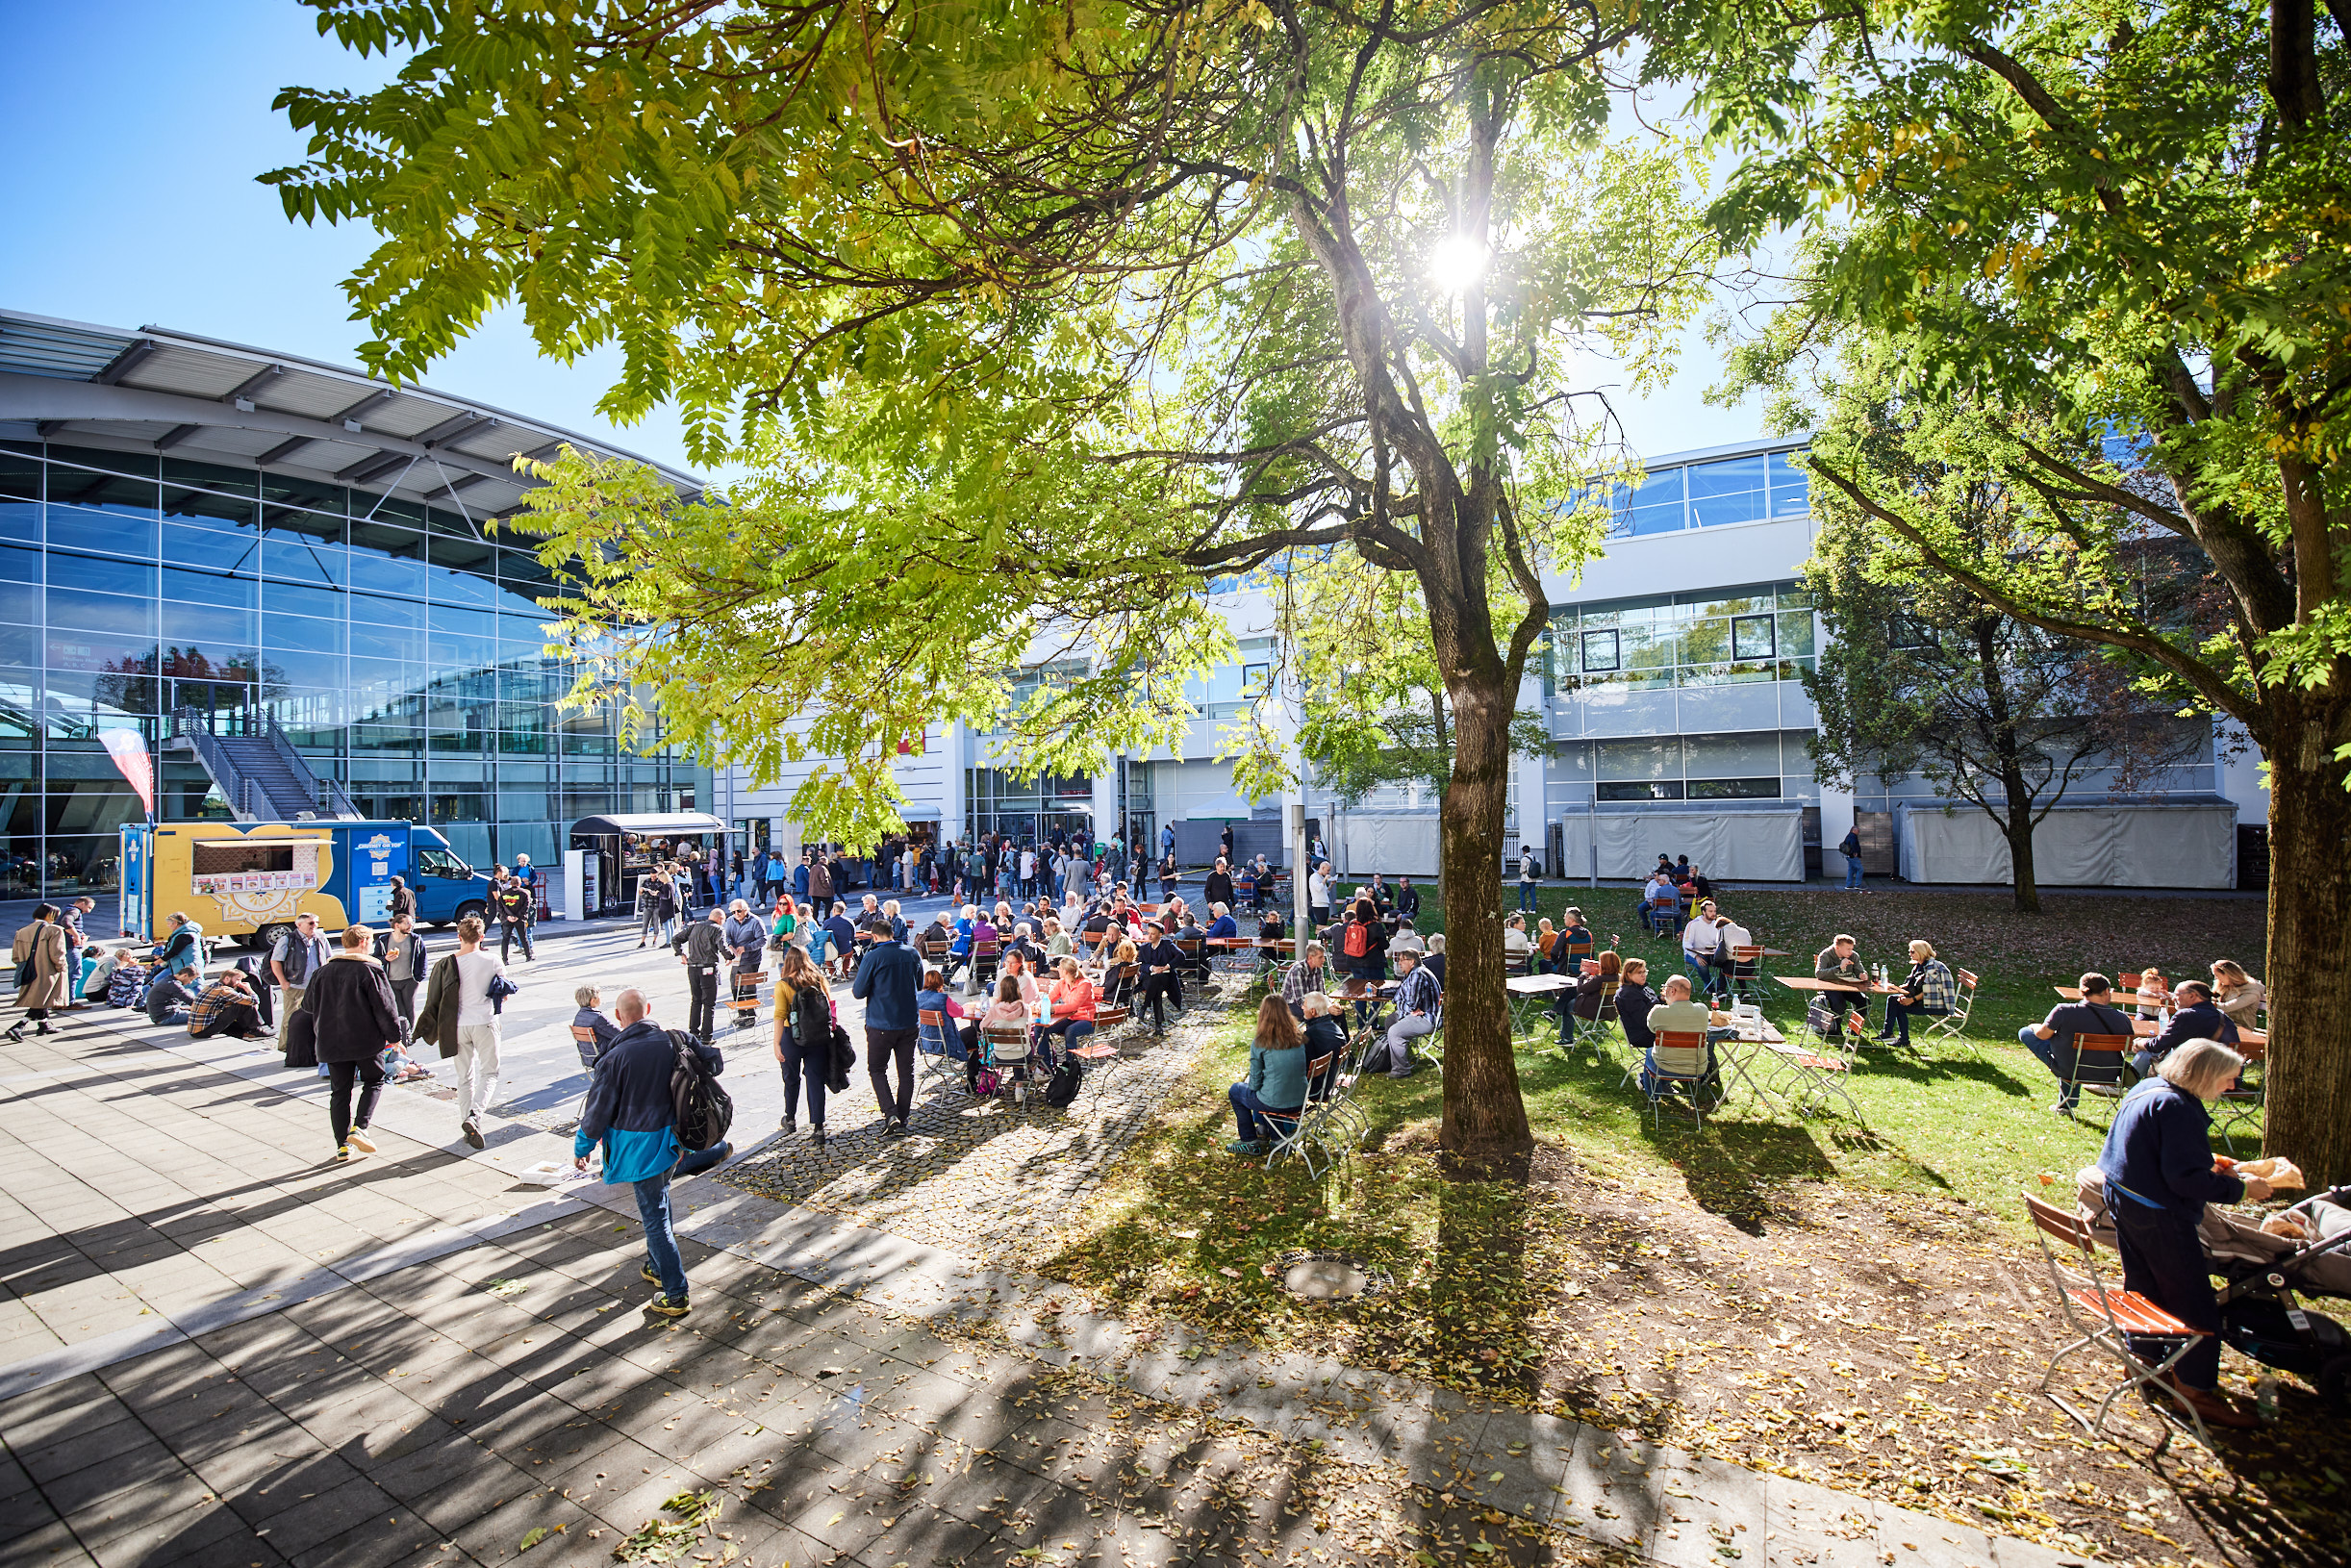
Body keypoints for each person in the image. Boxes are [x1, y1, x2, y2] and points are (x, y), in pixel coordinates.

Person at [2092, 1039, 2271, 1429]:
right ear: (2204, 1074)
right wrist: (2242, 1190)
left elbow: (2162, 1153)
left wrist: (2210, 1165)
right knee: (2194, 1302)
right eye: (2228, 1079)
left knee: (2144, 1284)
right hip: (2157, 1213)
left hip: (2125, 1196)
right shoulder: (2176, 1107)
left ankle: (2144, 1361)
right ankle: (2194, 1390)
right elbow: (2184, 1180)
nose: (2231, 1086)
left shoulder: (2149, 1087)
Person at [573, 988, 717, 1319]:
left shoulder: (614, 1057)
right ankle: (656, 1265)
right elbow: (714, 1061)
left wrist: (582, 1149)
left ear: (618, 1016)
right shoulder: (674, 1039)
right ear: (648, 1009)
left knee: (655, 1218)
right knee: (660, 1203)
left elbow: (596, 1112)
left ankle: (676, 1293)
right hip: (674, 1140)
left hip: (639, 1148)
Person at [306, 924, 403, 1162]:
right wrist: (395, 1037)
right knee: (374, 1080)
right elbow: (385, 1008)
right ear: (363, 942)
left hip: (331, 1040)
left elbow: (307, 1005)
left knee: (339, 1092)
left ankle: (342, 1146)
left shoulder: (322, 971)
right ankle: (360, 1127)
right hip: (364, 1040)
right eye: (370, 941)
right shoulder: (370, 970)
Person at [415, 915, 506, 1149]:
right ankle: (474, 1116)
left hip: (456, 1025)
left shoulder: (447, 963)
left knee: (465, 1077)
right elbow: (503, 993)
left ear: (459, 937)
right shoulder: (492, 960)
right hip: (485, 1022)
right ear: (482, 936)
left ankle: (468, 1126)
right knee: (490, 1073)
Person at [2020, 973, 2136, 1116]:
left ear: (2082, 991)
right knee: (2071, 1051)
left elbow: (2042, 1035)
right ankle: (2066, 1104)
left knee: (2026, 1032)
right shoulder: (2122, 1019)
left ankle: (2066, 1105)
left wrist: (2034, 1026)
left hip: (2070, 1070)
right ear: (2107, 991)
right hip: (2108, 1074)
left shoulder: (2064, 1011)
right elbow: (2128, 1047)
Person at [852, 909, 923, 1135]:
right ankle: (902, 1116)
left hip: (881, 1022)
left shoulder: (873, 957)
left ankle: (891, 1113)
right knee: (906, 1072)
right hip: (909, 1021)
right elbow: (920, 984)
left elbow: (858, 992)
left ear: (874, 936)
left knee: (877, 1069)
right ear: (892, 933)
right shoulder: (911, 953)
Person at [1228, 995, 1308, 1156]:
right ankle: (1278, 1139)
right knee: (1271, 1093)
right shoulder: (1298, 1037)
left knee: (1235, 1091)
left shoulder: (1261, 1042)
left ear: (1263, 1014)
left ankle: (1249, 1141)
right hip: (1301, 1099)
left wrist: (1253, 1085)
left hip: (1276, 1101)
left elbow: (1254, 1083)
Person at [772, 948, 835, 1142]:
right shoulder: (818, 979)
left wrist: (776, 1043)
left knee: (791, 1078)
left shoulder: (783, 984)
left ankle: (790, 1119)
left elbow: (779, 1015)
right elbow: (829, 1006)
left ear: (788, 962)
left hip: (791, 1036)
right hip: (817, 1036)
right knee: (815, 1080)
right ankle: (818, 1127)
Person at [1638, 974, 1730, 1101]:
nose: (1664, 991)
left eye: (1665, 988)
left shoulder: (1658, 1011)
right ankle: (1652, 1086)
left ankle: (1654, 1096)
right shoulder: (1702, 1010)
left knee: (1650, 1053)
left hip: (1664, 1066)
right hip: (1696, 1068)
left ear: (1672, 990)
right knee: (1660, 1057)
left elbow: (1652, 1028)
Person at [2128, 980, 2239, 1080]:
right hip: (2227, 1075)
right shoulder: (2223, 1017)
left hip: (2198, 1075)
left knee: (2146, 1052)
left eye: (2177, 995)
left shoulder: (2186, 1015)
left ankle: (2128, 1085)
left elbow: (2157, 1045)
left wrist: (2139, 1043)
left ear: (2192, 996)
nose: (2173, 998)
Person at [1362, 948, 1439, 1078]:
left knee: (1395, 1031)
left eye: (1402, 960)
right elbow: (1401, 991)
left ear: (1412, 962)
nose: (1399, 963)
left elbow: (1412, 1002)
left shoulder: (1418, 974)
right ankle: (1389, 1059)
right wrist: (1379, 992)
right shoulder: (1413, 973)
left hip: (1426, 1018)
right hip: (1418, 1013)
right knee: (1390, 1020)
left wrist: (1410, 1008)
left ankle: (1401, 1070)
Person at [8, 903, 69, 1041]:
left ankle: (44, 1025)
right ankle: (18, 1026)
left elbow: (16, 957)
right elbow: (57, 954)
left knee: (42, 998)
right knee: (42, 1000)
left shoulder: (22, 931)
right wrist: (63, 968)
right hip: (48, 971)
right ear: (50, 915)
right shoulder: (54, 930)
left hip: (29, 972)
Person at [1879, 940, 1956, 1049]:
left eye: (1912, 952)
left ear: (1921, 952)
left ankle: (1903, 1040)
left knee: (1900, 1006)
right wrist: (1896, 989)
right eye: (1909, 951)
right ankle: (1888, 1033)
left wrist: (1911, 1000)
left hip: (1937, 1005)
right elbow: (1910, 984)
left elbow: (1929, 991)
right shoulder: (1920, 965)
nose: (1910, 954)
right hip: (1924, 1001)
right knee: (1892, 999)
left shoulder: (1933, 967)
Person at [271, 912, 332, 1025]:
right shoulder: (287, 939)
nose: (315, 925)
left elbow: (328, 958)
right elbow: (275, 961)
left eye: (317, 922)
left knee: (317, 1018)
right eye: (311, 923)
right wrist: (283, 982)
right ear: (299, 925)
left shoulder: (321, 938)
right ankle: (286, 1038)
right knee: (291, 1020)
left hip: (317, 986)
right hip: (296, 986)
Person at [375, 913, 427, 1044]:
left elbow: (422, 957)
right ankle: (402, 1034)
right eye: (407, 923)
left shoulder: (415, 939)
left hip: (410, 979)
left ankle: (409, 1036)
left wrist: (419, 977)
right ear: (397, 925)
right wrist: (385, 958)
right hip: (391, 980)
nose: (411, 926)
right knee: (398, 1008)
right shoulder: (384, 940)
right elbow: (376, 958)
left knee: (409, 1007)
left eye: (411, 923)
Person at [677, 905, 726, 1040]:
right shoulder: (718, 929)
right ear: (720, 919)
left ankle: (693, 1032)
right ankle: (706, 1036)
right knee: (709, 1003)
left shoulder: (694, 927)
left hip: (693, 968)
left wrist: (681, 953)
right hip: (708, 968)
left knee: (696, 1000)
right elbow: (723, 947)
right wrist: (730, 957)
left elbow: (676, 939)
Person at [1811, 934, 1871, 1034]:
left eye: (1851, 949)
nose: (1850, 952)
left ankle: (1853, 1030)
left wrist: (1862, 975)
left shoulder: (1854, 956)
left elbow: (1860, 970)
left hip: (1847, 986)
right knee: (1839, 1003)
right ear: (1837, 947)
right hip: (1830, 987)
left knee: (1865, 1002)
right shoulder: (1826, 955)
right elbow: (1819, 974)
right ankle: (1836, 1030)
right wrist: (1839, 967)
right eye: (1848, 949)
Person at [187, 968, 266, 1041]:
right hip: (204, 1031)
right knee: (244, 1004)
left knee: (235, 1007)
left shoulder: (212, 986)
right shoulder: (224, 990)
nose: (239, 983)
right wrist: (248, 989)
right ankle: (255, 1030)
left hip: (196, 1031)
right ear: (227, 978)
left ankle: (246, 1033)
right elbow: (254, 1000)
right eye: (238, 980)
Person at [1565, 948, 1625, 1042]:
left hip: (1593, 1011)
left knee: (1568, 1005)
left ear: (1605, 965)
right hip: (1610, 1012)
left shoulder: (1600, 979)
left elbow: (1581, 989)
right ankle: (1555, 1010)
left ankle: (1566, 1037)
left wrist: (1582, 977)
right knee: (1569, 997)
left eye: (1600, 962)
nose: (1598, 964)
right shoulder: (1618, 978)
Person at [1042, 956, 1099, 1055]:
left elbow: (1074, 1006)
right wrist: (1040, 1005)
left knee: (1070, 1031)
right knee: (1042, 1028)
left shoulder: (1084, 984)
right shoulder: (1062, 983)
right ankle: (1046, 1062)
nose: (1058, 970)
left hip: (1088, 1020)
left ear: (1065, 971)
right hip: (1070, 1018)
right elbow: (1050, 998)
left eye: (1059, 968)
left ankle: (1071, 1062)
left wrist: (1053, 1009)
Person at [1137, 922, 1185, 1033]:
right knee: (1156, 988)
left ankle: (1145, 1006)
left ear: (1160, 935)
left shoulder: (1167, 944)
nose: (1149, 936)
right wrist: (1152, 968)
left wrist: (1167, 966)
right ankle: (1158, 1025)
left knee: (1158, 980)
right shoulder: (1144, 948)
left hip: (1166, 978)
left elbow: (1181, 955)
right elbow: (1141, 966)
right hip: (1148, 979)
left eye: (1153, 934)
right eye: (1148, 933)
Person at [1299, 992, 1346, 1099]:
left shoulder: (1311, 1035)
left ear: (1313, 1011)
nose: (1302, 1008)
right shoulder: (1335, 1028)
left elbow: (1303, 1066)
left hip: (1314, 1089)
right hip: (1331, 1081)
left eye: (1304, 1005)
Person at [493, 867, 536, 963]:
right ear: (520, 884)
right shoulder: (524, 893)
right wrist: (517, 916)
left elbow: (500, 907)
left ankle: (505, 959)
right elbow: (526, 907)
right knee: (523, 938)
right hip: (520, 919)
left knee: (505, 939)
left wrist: (507, 916)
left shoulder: (503, 894)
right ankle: (528, 956)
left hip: (507, 919)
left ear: (510, 884)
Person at [2208, 961, 2265, 1030]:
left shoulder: (2251, 992)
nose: (2216, 978)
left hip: (2241, 1026)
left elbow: (2227, 1007)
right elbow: (2214, 998)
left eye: (2217, 975)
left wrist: (2204, 1003)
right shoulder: (2225, 985)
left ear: (2228, 975)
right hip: (2223, 1021)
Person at [1681, 900, 1721, 990]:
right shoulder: (1693, 924)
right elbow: (1686, 944)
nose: (1713, 914)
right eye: (1710, 911)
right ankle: (1709, 987)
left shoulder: (1716, 925)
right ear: (1703, 912)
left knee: (1728, 963)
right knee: (1702, 964)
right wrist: (1696, 956)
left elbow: (1719, 942)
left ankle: (1721, 987)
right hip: (1692, 954)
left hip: (1711, 954)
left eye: (1714, 911)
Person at [1282, 939, 1331, 1014]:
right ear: (1310, 958)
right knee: (1318, 1014)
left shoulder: (1318, 969)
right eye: (1320, 957)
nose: (1324, 960)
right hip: (1290, 1005)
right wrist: (1321, 1008)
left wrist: (1330, 1006)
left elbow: (1322, 994)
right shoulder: (1297, 970)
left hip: (1310, 1004)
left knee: (1339, 1012)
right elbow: (1300, 1001)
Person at [1838, 824, 1864, 889]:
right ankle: (1858, 885)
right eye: (1858, 830)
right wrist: (1855, 852)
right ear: (1854, 830)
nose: (1859, 832)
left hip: (1848, 855)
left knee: (1851, 870)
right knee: (1860, 869)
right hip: (1852, 855)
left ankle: (1849, 885)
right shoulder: (1853, 836)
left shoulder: (1849, 836)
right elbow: (1853, 844)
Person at [1307, 862, 1331, 926]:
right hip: (1319, 904)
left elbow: (1326, 891)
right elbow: (1319, 888)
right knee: (1321, 925)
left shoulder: (1321, 877)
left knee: (1323, 924)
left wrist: (1331, 884)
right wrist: (1325, 879)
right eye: (1327, 870)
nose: (1328, 872)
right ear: (1322, 868)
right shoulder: (1314, 877)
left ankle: (1321, 933)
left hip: (1324, 903)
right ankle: (1319, 933)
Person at [1517, 844, 1539, 912]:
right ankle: (1533, 909)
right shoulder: (1535, 858)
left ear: (1523, 851)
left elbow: (1522, 870)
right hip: (1533, 879)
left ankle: (1523, 909)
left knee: (1522, 894)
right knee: (1533, 895)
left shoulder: (1524, 859)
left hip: (1525, 879)